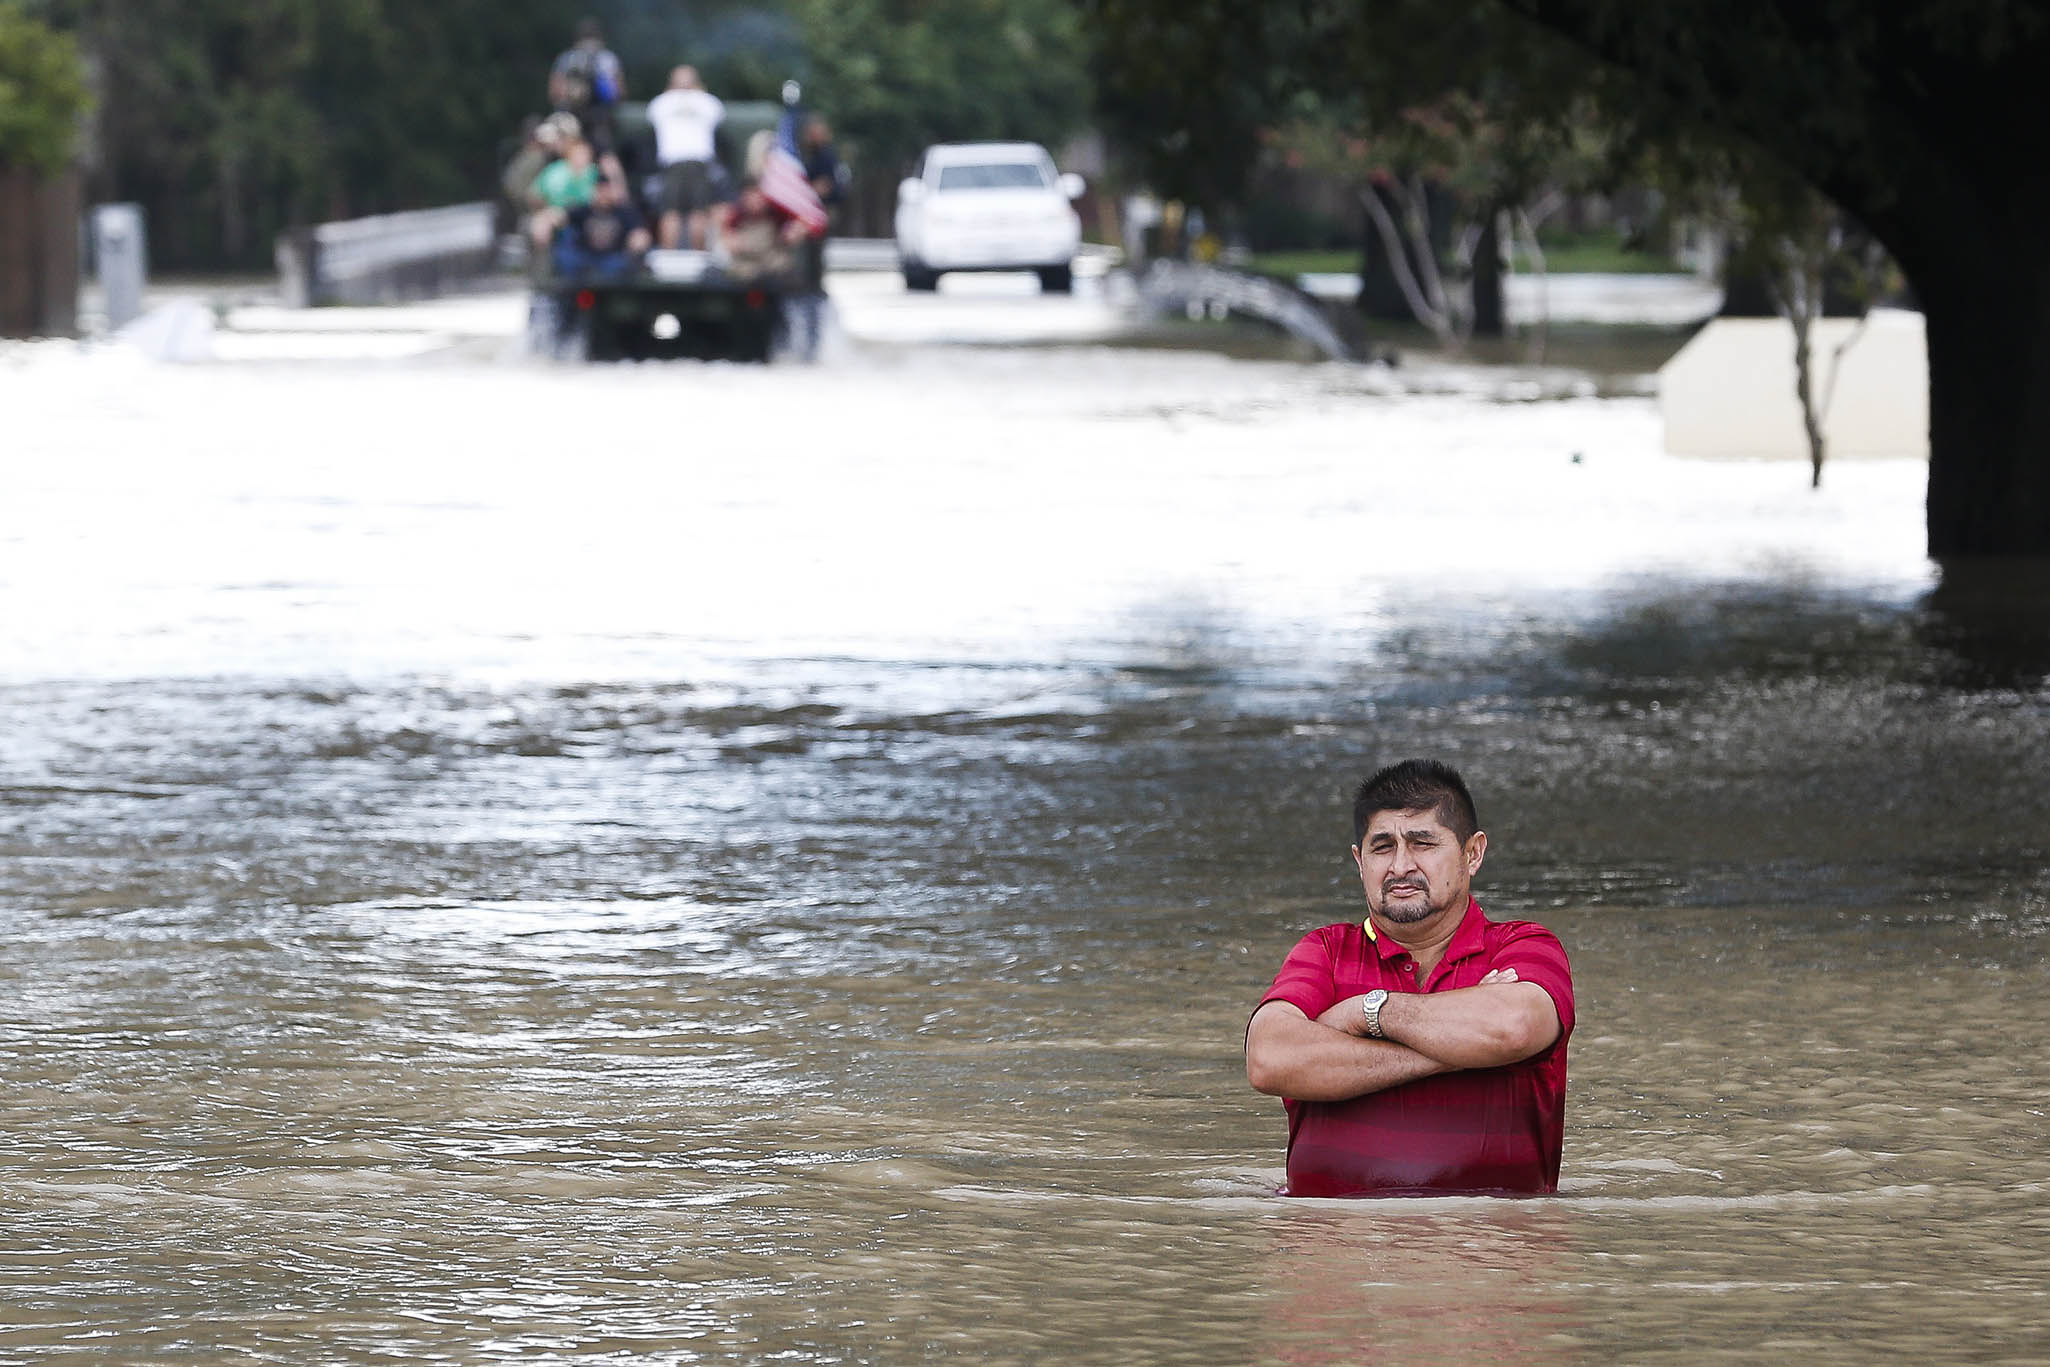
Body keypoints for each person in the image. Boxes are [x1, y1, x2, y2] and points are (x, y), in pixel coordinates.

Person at [1245, 759, 1574, 1197]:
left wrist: (1365, 1015)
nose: (1400, 866)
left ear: (1472, 853)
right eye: (1382, 847)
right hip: (1330, 1250)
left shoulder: (1523, 944)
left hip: (1491, 1250)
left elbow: (1513, 1028)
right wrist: (1460, 1053)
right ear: (1360, 861)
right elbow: (1269, 1059)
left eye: (1423, 843)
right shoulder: (1324, 950)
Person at [786, 113, 847, 362]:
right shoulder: (808, 155)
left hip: (816, 218)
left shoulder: (825, 157)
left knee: (812, 277)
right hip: (809, 219)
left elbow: (825, 188)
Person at [645, 65, 726, 250]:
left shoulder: (662, 102)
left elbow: (652, 115)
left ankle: (672, 258)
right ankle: (691, 257)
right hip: (693, 162)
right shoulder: (707, 101)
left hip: (678, 162)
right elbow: (718, 115)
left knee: (676, 212)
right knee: (693, 212)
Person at [546, 175, 651, 281]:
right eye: (601, 190)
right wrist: (548, 221)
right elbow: (558, 215)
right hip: (584, 258)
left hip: (614, 258)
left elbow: (640, 234)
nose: (604, 195)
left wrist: (638, 240)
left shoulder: (625, 212)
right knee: (565, 255)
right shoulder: (583, 210)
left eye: (607, 190)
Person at [548, 17, 626, 153]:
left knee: (566, 152)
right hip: (601, 117)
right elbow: (619, 91)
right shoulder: (608, 59)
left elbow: (554, 91)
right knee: (605, 154)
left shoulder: (566, 58)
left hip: (571, 116)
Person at [714, 179, 806, 284]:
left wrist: (794, 232)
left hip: (772, 269)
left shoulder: (777, 215)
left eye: (759, 197)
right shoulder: (735, 216)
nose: (756, 201)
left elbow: (790, 233)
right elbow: (728, 241)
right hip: (746, 269)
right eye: (751, 196)